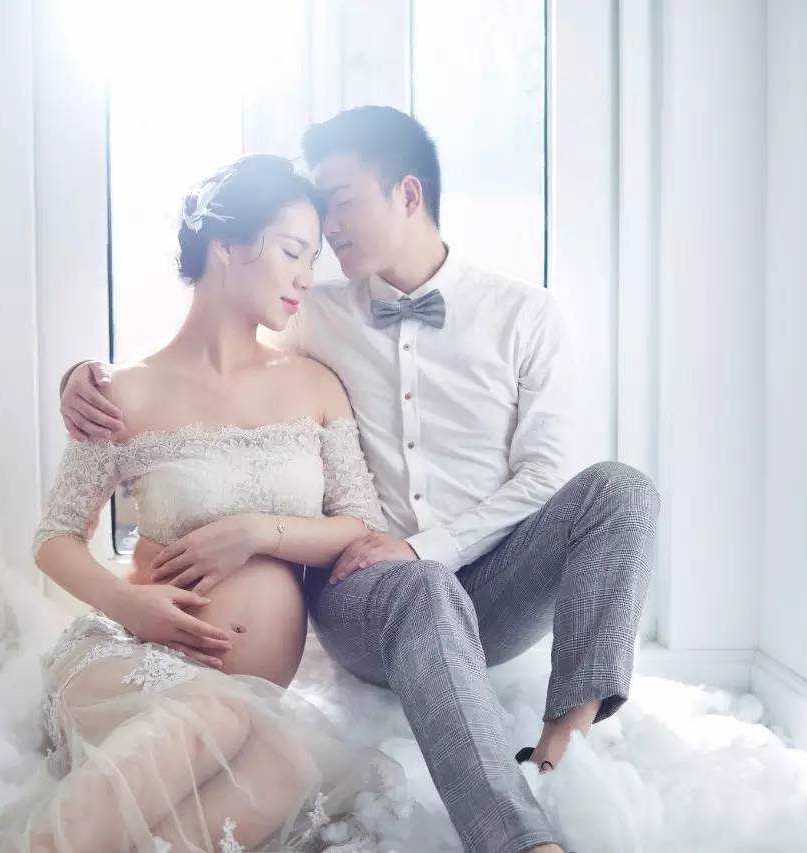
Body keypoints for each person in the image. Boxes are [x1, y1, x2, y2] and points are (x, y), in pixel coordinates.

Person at [63, 107, 661, 853]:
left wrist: (423, 547)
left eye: (341, 201)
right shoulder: (309, 310)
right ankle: (518, 843)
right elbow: (206, 351)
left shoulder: (525, 315)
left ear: (407, 194)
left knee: (622, 491)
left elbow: (545, 474)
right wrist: (86, 378)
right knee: (421, 586)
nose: (329, 226)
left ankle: (562, 743)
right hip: (364, 595)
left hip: (493, 582)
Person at [0, 154, 407, 853]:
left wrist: (256, 532)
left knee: (292, 765)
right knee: (217, 712)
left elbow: (361, 524)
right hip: (129, 660)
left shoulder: (314, 384)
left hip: (248, 704)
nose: (305, 276)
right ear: (226, 245)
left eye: (313, 259)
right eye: (292, 251)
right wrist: (128, 604)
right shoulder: (124, 393)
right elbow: (55, 537)